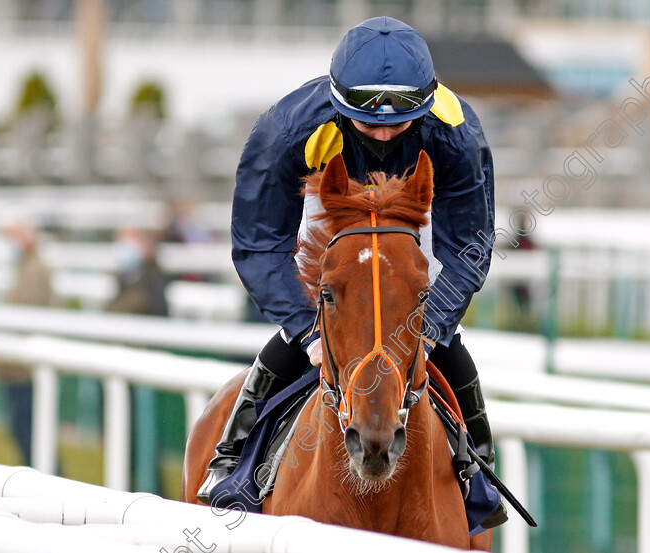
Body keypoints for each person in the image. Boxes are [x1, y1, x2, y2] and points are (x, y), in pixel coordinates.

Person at [201, 17, 498, 522]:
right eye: (368, 122)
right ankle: (232, 461)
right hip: (329, 208)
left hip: (411, 219)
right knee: (316, 330)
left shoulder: (456, 132)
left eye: (397, 122)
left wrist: (426, 329)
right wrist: (308, 330)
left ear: (423, 107)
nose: (383, 133)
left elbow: (469, 245)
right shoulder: (289, 129)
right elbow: (258, 243)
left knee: (451, 347)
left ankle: (478, 472)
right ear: (340, 106)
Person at [0, 217, 54, 466]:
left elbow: (26, 312)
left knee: (29, 431)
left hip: (25, 367)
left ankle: (49, 479)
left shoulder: (35, 268)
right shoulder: (25, 266)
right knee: (24, 430)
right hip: (19, 364)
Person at [105, 227, 169, 317]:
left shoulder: (155, 280)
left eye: (130, 240)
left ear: (146, 245)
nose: (125, 246)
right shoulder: (124, 278)